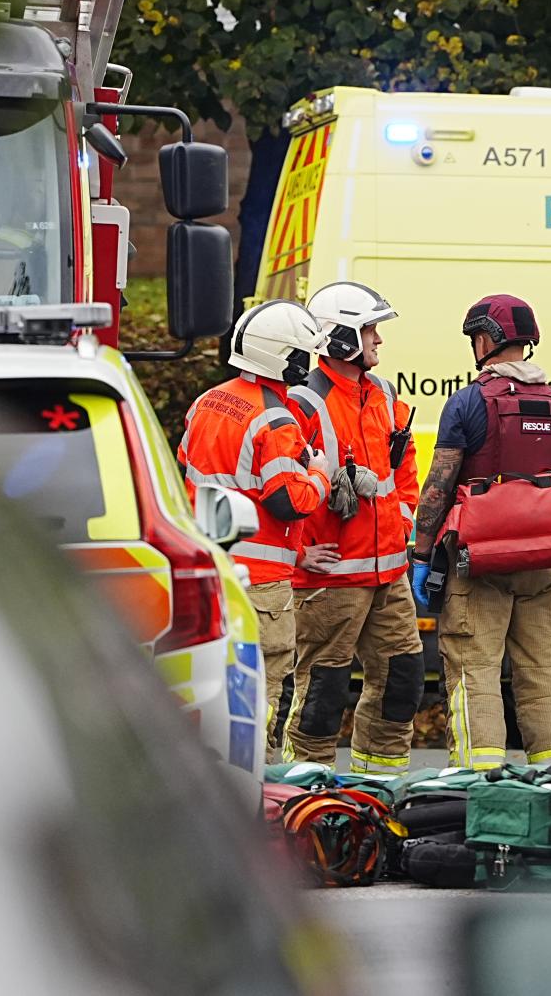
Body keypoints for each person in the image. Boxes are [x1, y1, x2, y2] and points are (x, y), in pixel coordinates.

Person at [409, 294, 551, 770]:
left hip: (478, 561)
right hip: (546, 564)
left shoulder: (467, 403)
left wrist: (421, 554)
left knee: (474, 671)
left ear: (485, 339)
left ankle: (478, 781)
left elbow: (438, 486)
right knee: (545, 674)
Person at [179, 300, 333, 764]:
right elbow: (288, 501)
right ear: (282, 356)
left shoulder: (209, 401)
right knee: (266, 684)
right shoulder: (278, 421)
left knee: (214, 681)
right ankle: (257, 780)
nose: (307, 365)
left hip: (209, 566)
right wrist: (321, 475)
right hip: (262, 585)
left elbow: (189, 469)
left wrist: (298, 554)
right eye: (302, 355)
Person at [282, 281, 424, 773]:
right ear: (341, 337)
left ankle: (379, 788)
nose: (379, 340)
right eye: (370, 330)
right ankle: (305, 796)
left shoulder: (382, 393)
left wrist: (403, 521)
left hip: (389, 573)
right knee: (322, 695)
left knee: (403, 680)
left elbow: (403, 469)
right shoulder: (304, 402)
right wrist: (299, 553)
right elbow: (277, 487)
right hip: (331, 578)